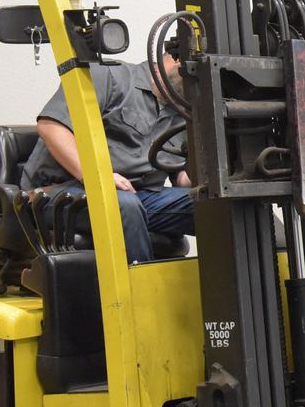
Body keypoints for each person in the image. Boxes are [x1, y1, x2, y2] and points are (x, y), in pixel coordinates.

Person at [18, 50, 192, 264]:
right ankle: (139, 285)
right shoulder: (110, 76)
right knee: (123, 204)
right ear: (171, 56)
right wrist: (99, 176)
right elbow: (50, 127)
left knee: (212, 202)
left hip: (140, 197)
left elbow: (181, 176)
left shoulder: (184, 111)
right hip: (60, 193)